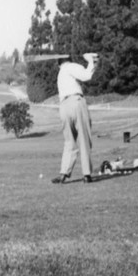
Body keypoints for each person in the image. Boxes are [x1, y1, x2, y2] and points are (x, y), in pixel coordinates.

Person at [51, 53, 98, 185]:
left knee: (69, 141)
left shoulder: (60, 73)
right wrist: (89, 60)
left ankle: (63, 174)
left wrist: (92, 63)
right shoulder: (70, 66)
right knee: (84, 138)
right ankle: (87, 174)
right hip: (75, 102)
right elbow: (87, 76)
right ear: (69, 60)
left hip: (63, 108)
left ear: (58, 63)